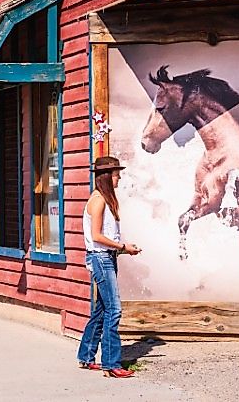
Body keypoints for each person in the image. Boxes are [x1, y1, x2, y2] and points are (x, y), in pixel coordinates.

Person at [77, 156, 141, 379]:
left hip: (106, 257)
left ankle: (86, 356)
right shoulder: (98, 201)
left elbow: (104, 236)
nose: (119, 178)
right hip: (101, 259)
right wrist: (123, 246)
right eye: (116, 174)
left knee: (102, 310)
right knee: (114, 310)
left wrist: (123, 250)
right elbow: (96, 236)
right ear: (106, 176)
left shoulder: (104, 198)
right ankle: (111, 364)